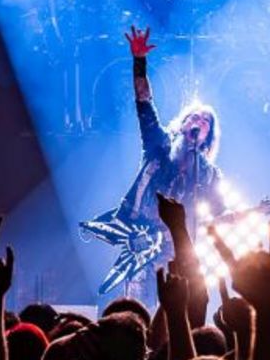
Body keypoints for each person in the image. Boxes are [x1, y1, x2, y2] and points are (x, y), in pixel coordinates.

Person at [80, 27, 225, 296]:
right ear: (183, 124)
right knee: (137, 300)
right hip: (140, 237)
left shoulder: (209, 175)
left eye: (205, 121)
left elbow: (219, 213)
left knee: (175, 305)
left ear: (207, 136)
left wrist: (251, 214)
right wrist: (139, 62)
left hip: (177, 247)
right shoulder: (159, 144)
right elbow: (144, 103)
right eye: (194, 117)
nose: (199, 121)